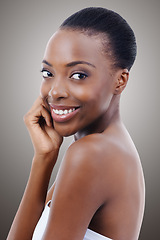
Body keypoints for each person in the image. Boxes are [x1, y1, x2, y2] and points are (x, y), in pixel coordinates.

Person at [7, 7, 145, 240]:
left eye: (78, 75)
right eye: (47, 72)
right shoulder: (111, 148)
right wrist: (44, 157)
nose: (55, 91)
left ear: (120, 81)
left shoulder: (91, 154)